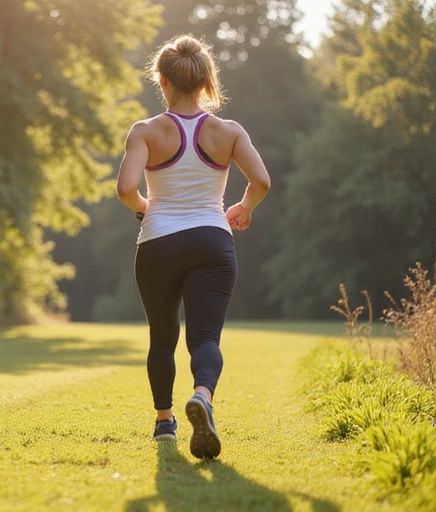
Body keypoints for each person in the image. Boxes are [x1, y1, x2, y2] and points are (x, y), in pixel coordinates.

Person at [116, 34, 270, 459]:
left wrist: (144, 207)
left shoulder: (145, 131)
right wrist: (243, 207)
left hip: (158, 242)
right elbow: (261, 181)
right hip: (211, 240)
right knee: (205, 338)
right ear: (205, 82)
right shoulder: (229, 132)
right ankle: (202, 396)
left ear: (162, 80)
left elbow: (126, 188)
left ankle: (165, 422)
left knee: (162, 336)